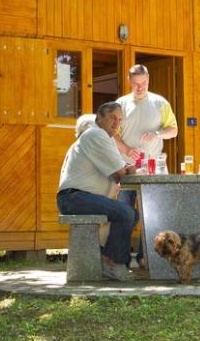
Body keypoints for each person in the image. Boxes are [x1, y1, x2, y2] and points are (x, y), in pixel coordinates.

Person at [56, 103, 139, 281]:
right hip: (74, 197)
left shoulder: (103, 138)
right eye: (112, 118)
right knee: (125, 212)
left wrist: (125, 169)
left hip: (77, 197)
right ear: (99, 118)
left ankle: (106, 258)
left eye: (119, 119)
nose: (117, 123)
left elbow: (119, 168)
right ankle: (113, 263)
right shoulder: (96, 134)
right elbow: (120, 172)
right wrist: (127, 169)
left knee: (130, 214)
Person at [114, 64, 179, 267]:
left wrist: (158, 133)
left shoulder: (160, 103)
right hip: (126, 167)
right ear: (129, 82)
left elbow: (174, 130)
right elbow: (110, 134)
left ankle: (146, 258)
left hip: (153, 167)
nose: (140, 88)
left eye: (143, 83)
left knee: (153, 214)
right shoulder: (121, 104)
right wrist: (125, 148)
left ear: (148, 80)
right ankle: (120, 260)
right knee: (124, 214)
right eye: (135, 84)